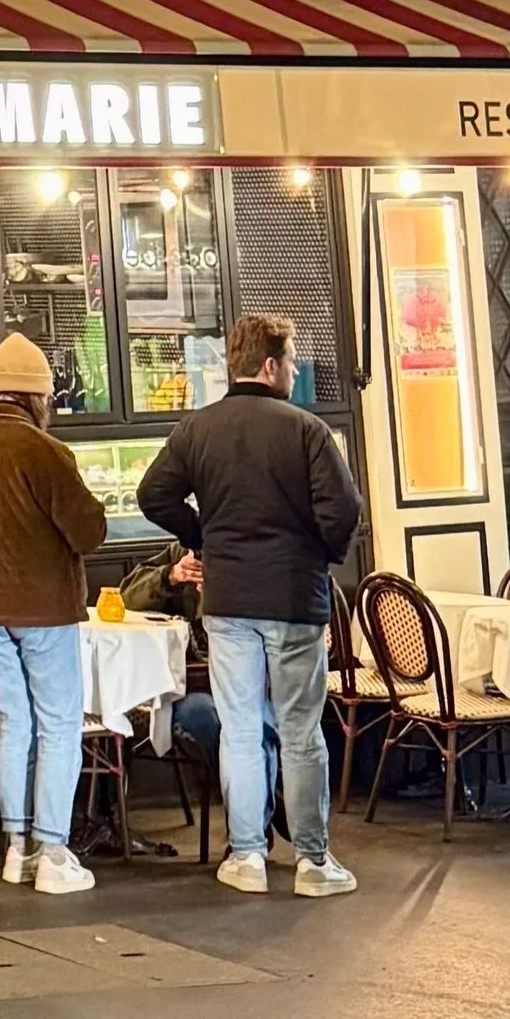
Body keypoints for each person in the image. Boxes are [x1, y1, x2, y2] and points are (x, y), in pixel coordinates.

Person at [138, 312, 362, 899]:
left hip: (228, 598)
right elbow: (344, 511)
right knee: (301, 731)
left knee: (238, 728)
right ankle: (313, 861)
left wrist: (203, 535)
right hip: (293, 598)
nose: (292, 371)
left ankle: (246, 856)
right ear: (270, 366)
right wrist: (318, 553)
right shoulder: (306, 430)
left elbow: (152, 493)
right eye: (289, 362)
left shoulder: (197, 429)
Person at [0, 331, 107, 895]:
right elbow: (88, 530)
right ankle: (55, 851)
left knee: (15, 720)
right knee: (60, 722)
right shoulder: (43, 451)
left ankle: (16, 850)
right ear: (38, 398)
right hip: (43, 609)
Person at [119, 540, 284, 840]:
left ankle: (252, 830)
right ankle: (265, 815)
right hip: (193, 689)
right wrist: (171, 576)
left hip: (248, 684)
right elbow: (126, 596)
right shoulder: (182, 553)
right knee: (210, 720)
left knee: (258, 725)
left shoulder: (254, 554)